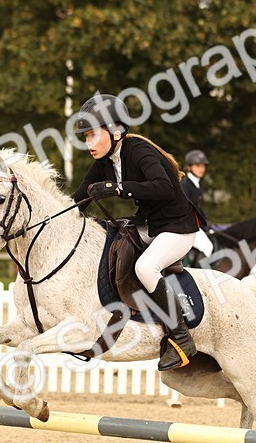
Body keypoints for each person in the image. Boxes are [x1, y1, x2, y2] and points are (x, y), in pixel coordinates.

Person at [70, 94, 206, 371]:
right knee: (110, 241)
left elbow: (164, 187)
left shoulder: (139, 151)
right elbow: (79, 196)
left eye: (93, 135)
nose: (88, 144)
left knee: (146, 267)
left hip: (177, 227)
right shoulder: (106, 161)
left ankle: (181, 337)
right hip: (150, 224)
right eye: (85, 137)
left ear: (115, 131)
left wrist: (120, 189)